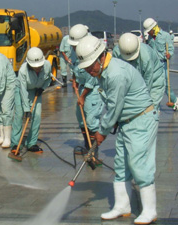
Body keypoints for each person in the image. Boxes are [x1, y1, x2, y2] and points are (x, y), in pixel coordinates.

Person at [76, 36, 158, 224]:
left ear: (101, 57)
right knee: (121, 165)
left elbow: (114, 107)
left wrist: (102, 131)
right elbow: (116, 107)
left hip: (141, 120)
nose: (89, 71)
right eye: (86, 68)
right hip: (126, 122)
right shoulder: (104, 72)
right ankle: (122, 206)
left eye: (90, 66)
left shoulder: (116, 73)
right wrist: (110, 124)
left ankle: (150, 210)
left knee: (139, 164)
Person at [68, 24, 104, 158]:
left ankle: (94, 151)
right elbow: (74, 67)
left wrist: (82, 96)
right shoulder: (75, 50)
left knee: (91, 120)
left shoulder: (90, 50)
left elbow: (92, 77)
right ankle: (87, 145)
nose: (73, 48)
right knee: (81, 118)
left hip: (93, 89)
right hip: (82, 87)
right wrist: (74, 80)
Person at [10, 47, 51, 153]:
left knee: (37, 116)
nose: (38, 68)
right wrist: (27, 109)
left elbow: (48, 79)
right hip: (22, 91)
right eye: (35, 67)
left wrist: (42, 88)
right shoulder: (23, 70)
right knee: (19, 115)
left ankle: (31, 143)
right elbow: (23, 90)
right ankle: (15, 144)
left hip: (36, 91)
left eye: (39, 66)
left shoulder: (47, 65)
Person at [113, 33, 165, 109]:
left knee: (150, 108)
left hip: (154, 80)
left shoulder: (146, 55)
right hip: (133, 80)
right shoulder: (116, 52)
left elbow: (148, 82)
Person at [143, 17, 177, 110]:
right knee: (152, 84)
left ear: (153, 28)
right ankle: (153, 105)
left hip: (163, 64)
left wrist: (169, 54)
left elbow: (170, 49)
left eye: (149, 31)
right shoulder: (150, 38)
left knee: (166, 85)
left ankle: (175, 101)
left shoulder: (165, 36)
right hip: (153, 65)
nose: (148, 33)